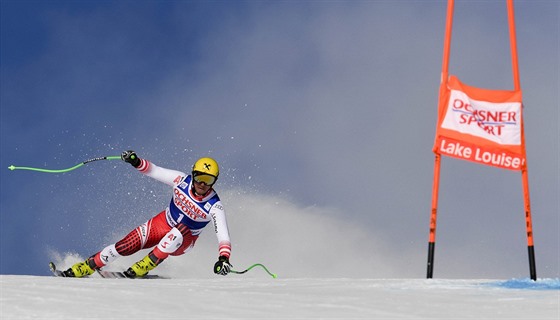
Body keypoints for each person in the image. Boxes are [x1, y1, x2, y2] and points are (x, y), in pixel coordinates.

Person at [63, 150, 232, 278]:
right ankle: (88, 266)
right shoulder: (180, 180)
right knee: (125, 245)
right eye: (200, 177)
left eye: (208, 180)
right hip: (162, 223)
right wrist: (136, 161)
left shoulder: (214, 206)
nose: (203, 184)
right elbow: (154, 170)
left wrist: (223, 259)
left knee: (179, 229)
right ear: (193, 174)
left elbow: (223, 234)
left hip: (184, 241)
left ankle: (144, 266)